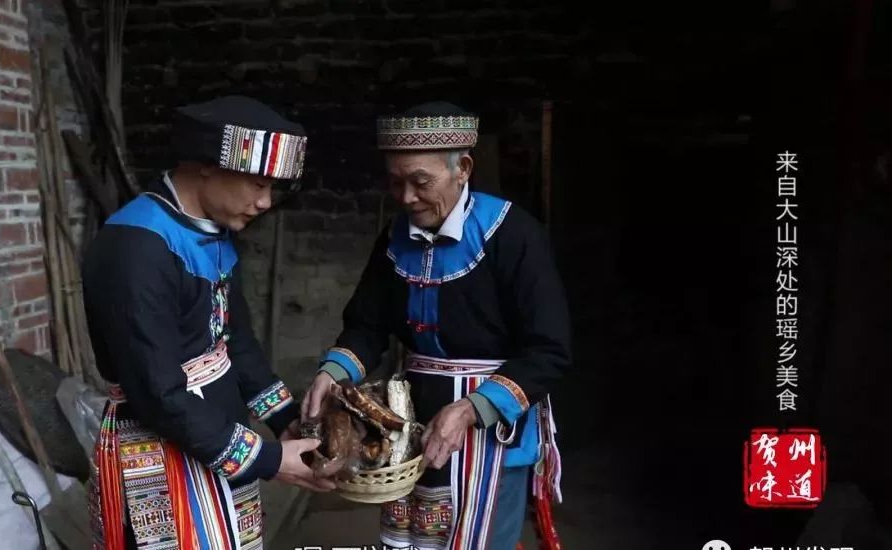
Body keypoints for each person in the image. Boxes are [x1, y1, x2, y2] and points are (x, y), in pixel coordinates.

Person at [302, 101, 571, 550]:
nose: (406, 197)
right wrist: (333, 373)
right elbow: (367, 326)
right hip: (411, 421)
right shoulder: (395, 238)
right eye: (395, 182)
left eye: (420, 182)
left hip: (491, 426)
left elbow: (549, 350)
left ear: (462, 169)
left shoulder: (511, 234)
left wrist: (469, 410)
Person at [83, 95, 334, 550]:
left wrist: (285, 420)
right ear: (205, 166)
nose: (265, 202)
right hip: (160, 448)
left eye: (273, 188)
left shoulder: (211, 231)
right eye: (257, 184)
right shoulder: (135, 247)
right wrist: (266, 459)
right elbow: (156, 391)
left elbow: (234, 341)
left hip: (218, 434)